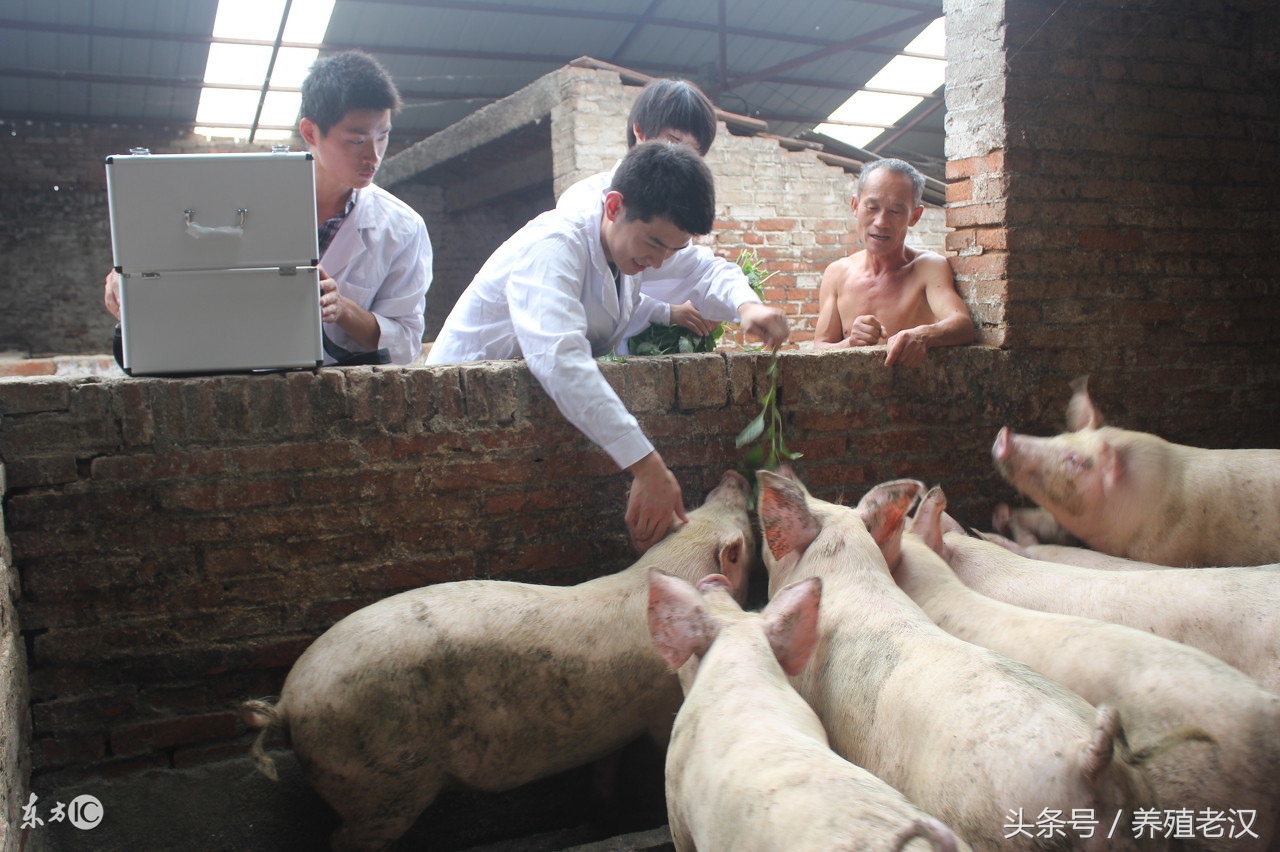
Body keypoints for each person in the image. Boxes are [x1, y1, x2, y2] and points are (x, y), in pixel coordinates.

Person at [428, 142, 774, 553]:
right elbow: (561, 360)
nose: (661, 262)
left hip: (516, 423)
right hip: (454, 420)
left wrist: (746, 304)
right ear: (613, 206)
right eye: (655, 244)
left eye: (673, 248)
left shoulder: (631, 249)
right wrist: (647, 466)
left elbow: (705, 268)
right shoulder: (556, 245)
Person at [104, 50, 431, 367]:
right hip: (234, 377)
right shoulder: (241, 202)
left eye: (383, 136)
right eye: (357, 140)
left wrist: (344, 310)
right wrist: (126, 280)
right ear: (310, 132)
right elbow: (176, 263)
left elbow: (405, 343)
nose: (373, 156)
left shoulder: (402, 228)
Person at [557, 78, 787, 353]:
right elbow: (586, 293)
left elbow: (704, 269)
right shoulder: (582, 204)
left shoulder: (671, 227)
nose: (681, 161)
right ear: (640, 133)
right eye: (673, 143)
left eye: (694, 153)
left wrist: (747, 306)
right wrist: (666, 311)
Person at [812, 158, 973, 367]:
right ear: (855, 206)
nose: (881, 222)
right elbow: (820, 347)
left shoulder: (928, 268)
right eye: (872, 207)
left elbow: (962, 324)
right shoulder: (837, 274)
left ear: (914, 216)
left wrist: (923, 334)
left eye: (895, 212)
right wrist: (850, 343)